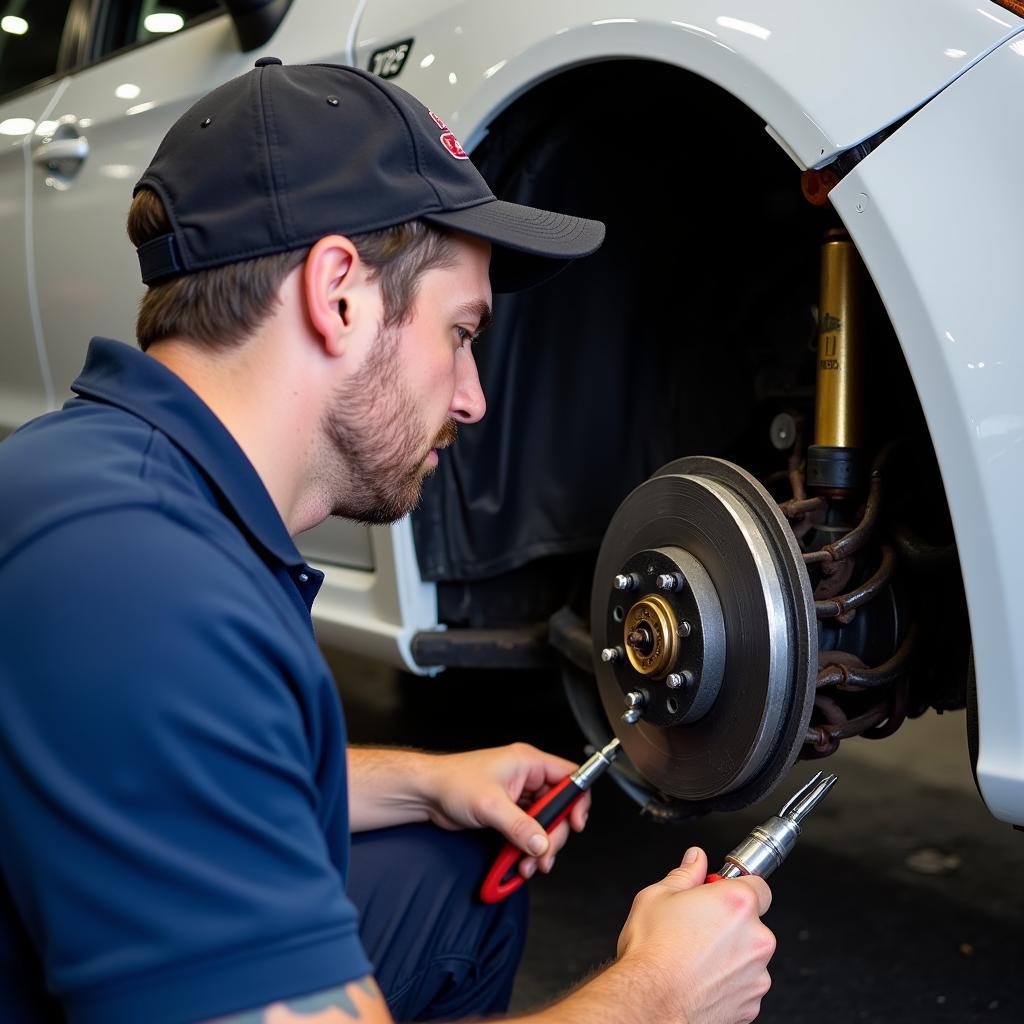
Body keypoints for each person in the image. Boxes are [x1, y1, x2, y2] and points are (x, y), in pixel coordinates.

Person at [0, 59, 775, 1024]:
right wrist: (659, 996)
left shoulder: (104, 477)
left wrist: (424, 780)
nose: (474, 396)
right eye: (460, 331)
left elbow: (185, 770)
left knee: (447, 870)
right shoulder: (147, 593)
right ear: (337, 295)